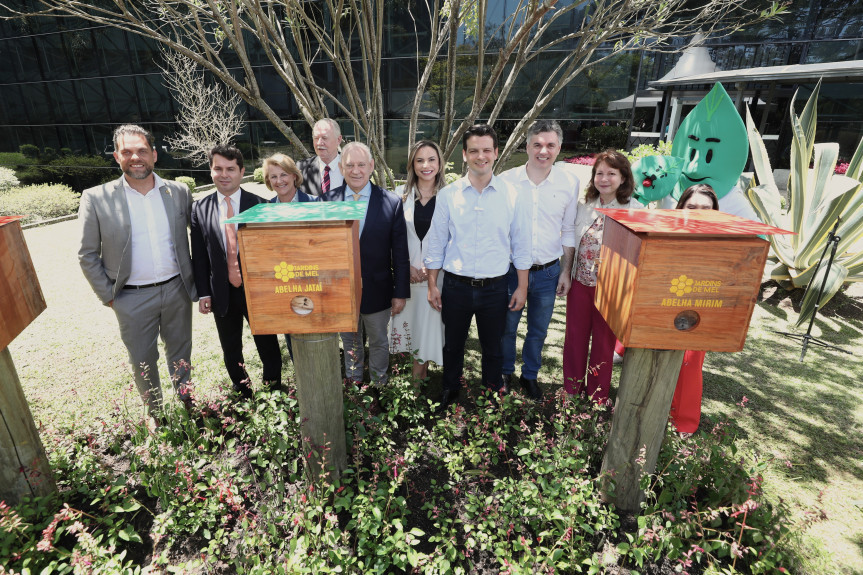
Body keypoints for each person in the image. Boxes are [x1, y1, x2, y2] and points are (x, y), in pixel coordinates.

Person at [78, 124, 197, 415]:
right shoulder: (96, 198)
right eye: (127, 152)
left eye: (142, 150)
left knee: (181, 354)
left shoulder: (178, 192)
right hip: (130, 298)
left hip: (176, 290)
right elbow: (87, 253)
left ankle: (187, 403)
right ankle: (155, 413)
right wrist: (109, 295)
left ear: (154, 155)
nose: (136, 157)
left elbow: (200, 237)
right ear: (117, 156)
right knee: (143, 359)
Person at [425, 124, 531, 412]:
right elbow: (436, 242)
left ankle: (491, 394)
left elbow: (521, 244)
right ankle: (450, 388)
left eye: (486, 150)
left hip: (496, 287)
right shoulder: (449, 195)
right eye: (474, 151)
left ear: (496, 153)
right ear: (464, 155)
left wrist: (522, 286)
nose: (480, 156)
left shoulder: (512, 195)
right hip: (456, 286)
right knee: (453, 345)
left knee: (493, 348)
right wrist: (433, 284)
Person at [191, 144, 282, 398]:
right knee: (231, 347)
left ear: (242, 172)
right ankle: (243, 392)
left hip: (257, 292)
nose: (224, 174)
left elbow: (273, 255)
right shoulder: (200, 209)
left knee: (268, 344)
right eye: (218, 168)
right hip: (221, 291)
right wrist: (203, 293)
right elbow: (199, 257)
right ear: (211, 171)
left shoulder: (261, 206)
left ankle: (273, 390)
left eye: (230, 169)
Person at [498, 120, 580, 400]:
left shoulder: (569, 182)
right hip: (510, 272)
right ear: (527, 146)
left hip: (548, 273)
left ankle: (530, 375)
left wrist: (566, 272)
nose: (543, 150)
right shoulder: (507, 181)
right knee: (507, 328)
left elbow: (568, 230)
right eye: (537, 144)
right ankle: (505, 372)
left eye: (550, 145)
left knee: (538, 330)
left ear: (559, 148)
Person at [321, 142, 410, 385]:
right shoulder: (326, 203)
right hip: (340, 291)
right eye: (350, 165)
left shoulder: (391, 202)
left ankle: (380, 385)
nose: (356, 170)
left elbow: (400, 254)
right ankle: (355, 384)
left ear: (371, 166)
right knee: (350, 341)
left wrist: (400, 292)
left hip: (378, 289)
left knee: (380, 341)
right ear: (341, 167)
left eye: (361, 164)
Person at [562, 149, 643, 404]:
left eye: (611, 173)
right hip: (580, 284)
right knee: (574, 338)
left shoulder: (635, 209)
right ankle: (571, 390)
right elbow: (571, 244)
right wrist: (566, 272)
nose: (604, 178)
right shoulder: (584, 205)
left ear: (623, 177)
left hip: (612, 289)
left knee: (603, 343)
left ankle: (598, 395)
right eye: (599, 173)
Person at [389, 141, 446, 383]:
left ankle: (416, 384)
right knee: (409, 332)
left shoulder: (449, 197)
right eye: (420, 160)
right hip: (407, 278)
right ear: (412, 163)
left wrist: (433, 268)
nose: (426, 165)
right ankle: (415, 382)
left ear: (440, 163)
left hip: (436, 280)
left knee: (428, 333)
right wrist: (406, 267)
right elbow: (389, 238)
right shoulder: (398, 196)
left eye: (431, 159)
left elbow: (454, 239)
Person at [670, 183, 719, 436]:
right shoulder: (667, 234)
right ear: (680, 208)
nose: (698, 212)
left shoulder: (722, 242)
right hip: (666, 304)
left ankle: (684, 421)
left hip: (699, 310)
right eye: (692, 207)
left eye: (705, 208)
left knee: (690, 363)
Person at [262, 153, 318, 361]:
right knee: (292, 335)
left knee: (316, 333)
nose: (279, 181)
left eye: (283, 174)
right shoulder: (265, 211)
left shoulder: (315, 204)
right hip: (283, 283)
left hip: (313, 280)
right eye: (273, 176)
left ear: (294, 176)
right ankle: (301, 377)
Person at [297, 119, 344, 197]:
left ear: (338, 140)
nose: (319, 143)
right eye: (316, 138)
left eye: (324, 138)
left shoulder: (353, 168)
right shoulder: (301, 168)